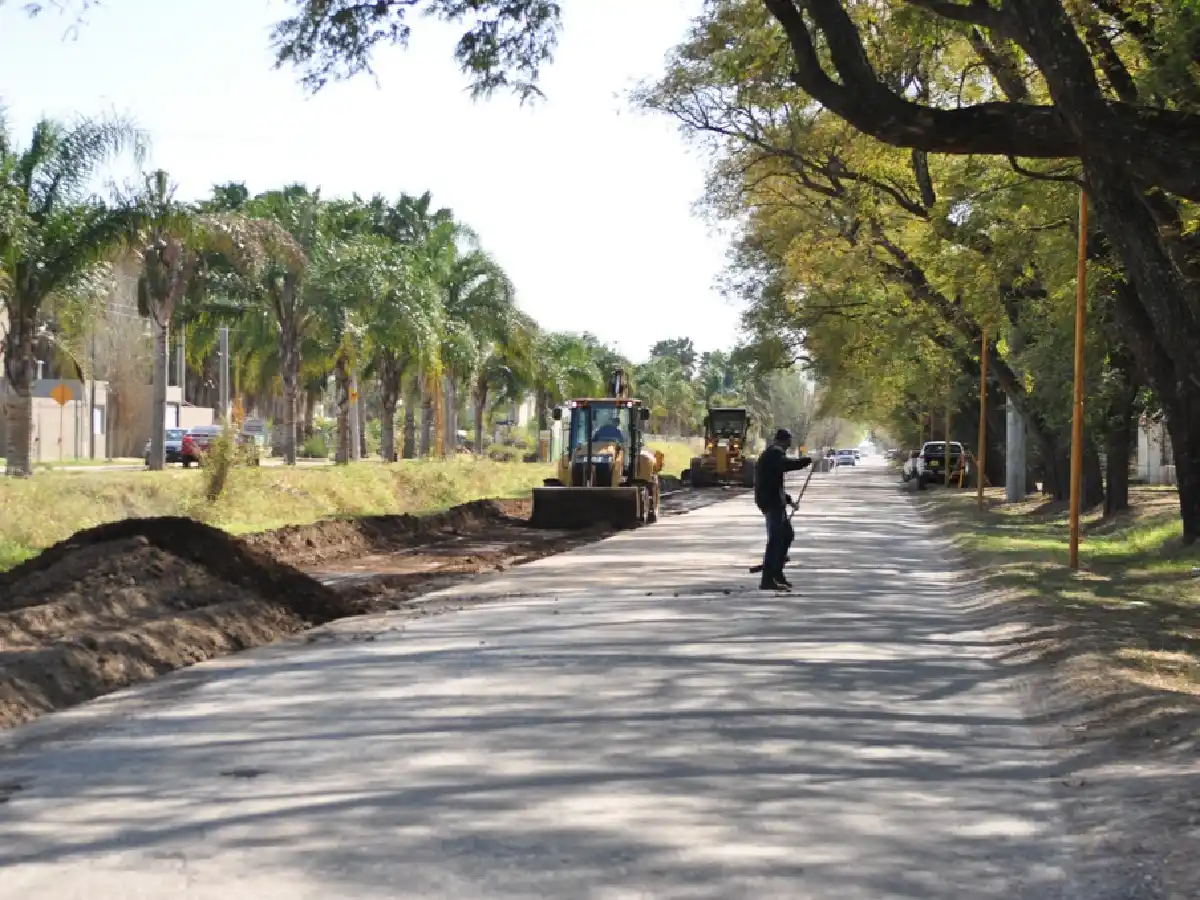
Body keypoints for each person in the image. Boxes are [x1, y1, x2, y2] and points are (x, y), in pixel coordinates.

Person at [754, 428, 812, 590]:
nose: (789, 445)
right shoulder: (774, 454)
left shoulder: (773, 454)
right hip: (771, 503)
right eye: (788, 442)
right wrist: (808, 460)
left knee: (786, 535)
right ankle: (767, 580)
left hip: (774, 500)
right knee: (775, 540)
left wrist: (789, 500)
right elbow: (787, 465)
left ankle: (777, 572)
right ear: (784, 441)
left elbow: (774, 483)